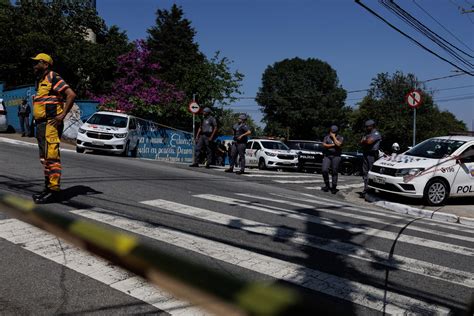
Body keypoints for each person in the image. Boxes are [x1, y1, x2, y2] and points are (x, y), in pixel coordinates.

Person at [31, 53, 76, 203]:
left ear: (45, 64)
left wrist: (62, 115)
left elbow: (71, 95)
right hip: (42, 124)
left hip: (51, 123)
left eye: (37, 62)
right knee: (45, 158)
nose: (34, 65)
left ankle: (54, 191)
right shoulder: (40, 80)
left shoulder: (53, 77)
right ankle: (48, 188)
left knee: (52, 157)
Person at [360, 119, 382, 195]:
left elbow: (369, 141)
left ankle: (372, 189)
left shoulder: (376, 133)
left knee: (371, 172)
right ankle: (366, 188)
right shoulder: (367, 134)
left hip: (372, 155)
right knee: (365, 172)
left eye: (367, 126)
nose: (366, 128)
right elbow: (361, 141)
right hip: (366, 153)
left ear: (372, 126)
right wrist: (365, 140)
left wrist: (365, 140)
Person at [321, 125, 344, 194]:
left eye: (334, 132)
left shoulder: (340, 137)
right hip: (327, 156)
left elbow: (339, 145)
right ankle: (327, 185)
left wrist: (334, 137)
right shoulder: (326, 137)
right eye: (332, 131)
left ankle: (334, 187)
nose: (332, 132)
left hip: (336, 156)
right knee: (324, 170)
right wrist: (334, 145)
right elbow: (324, 145)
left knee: (334, 171)